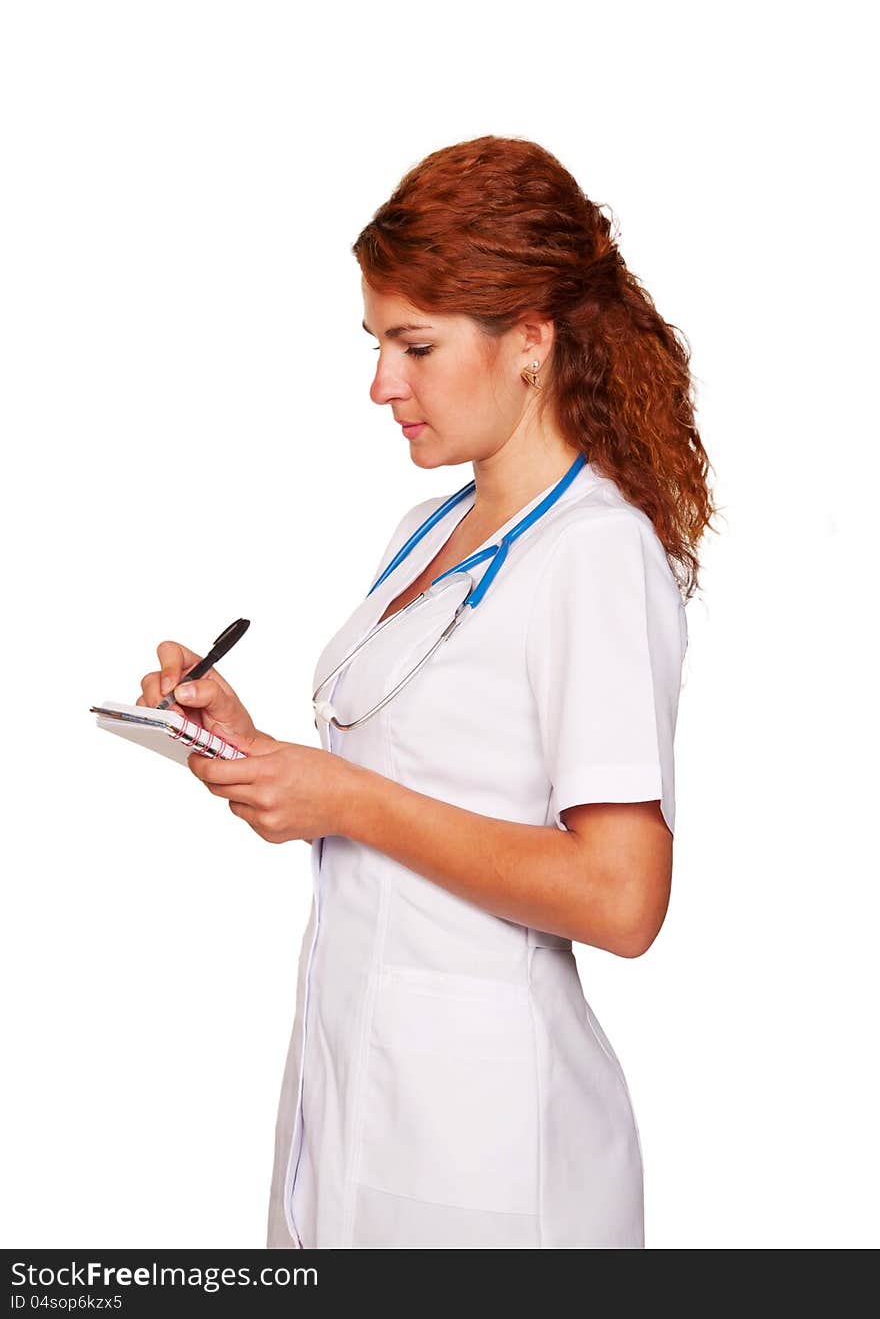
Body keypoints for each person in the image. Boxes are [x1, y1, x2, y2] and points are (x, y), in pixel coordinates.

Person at [137, 135, 716, 1249]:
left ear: (531, 342)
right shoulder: (428, 531)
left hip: (493, 1147)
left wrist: (343, 801)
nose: (379, 384)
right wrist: (250, 746)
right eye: (375, 344)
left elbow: (622, 896)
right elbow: (418, 771)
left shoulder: (595, 554)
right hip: (358, 1091)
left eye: (414, 345)